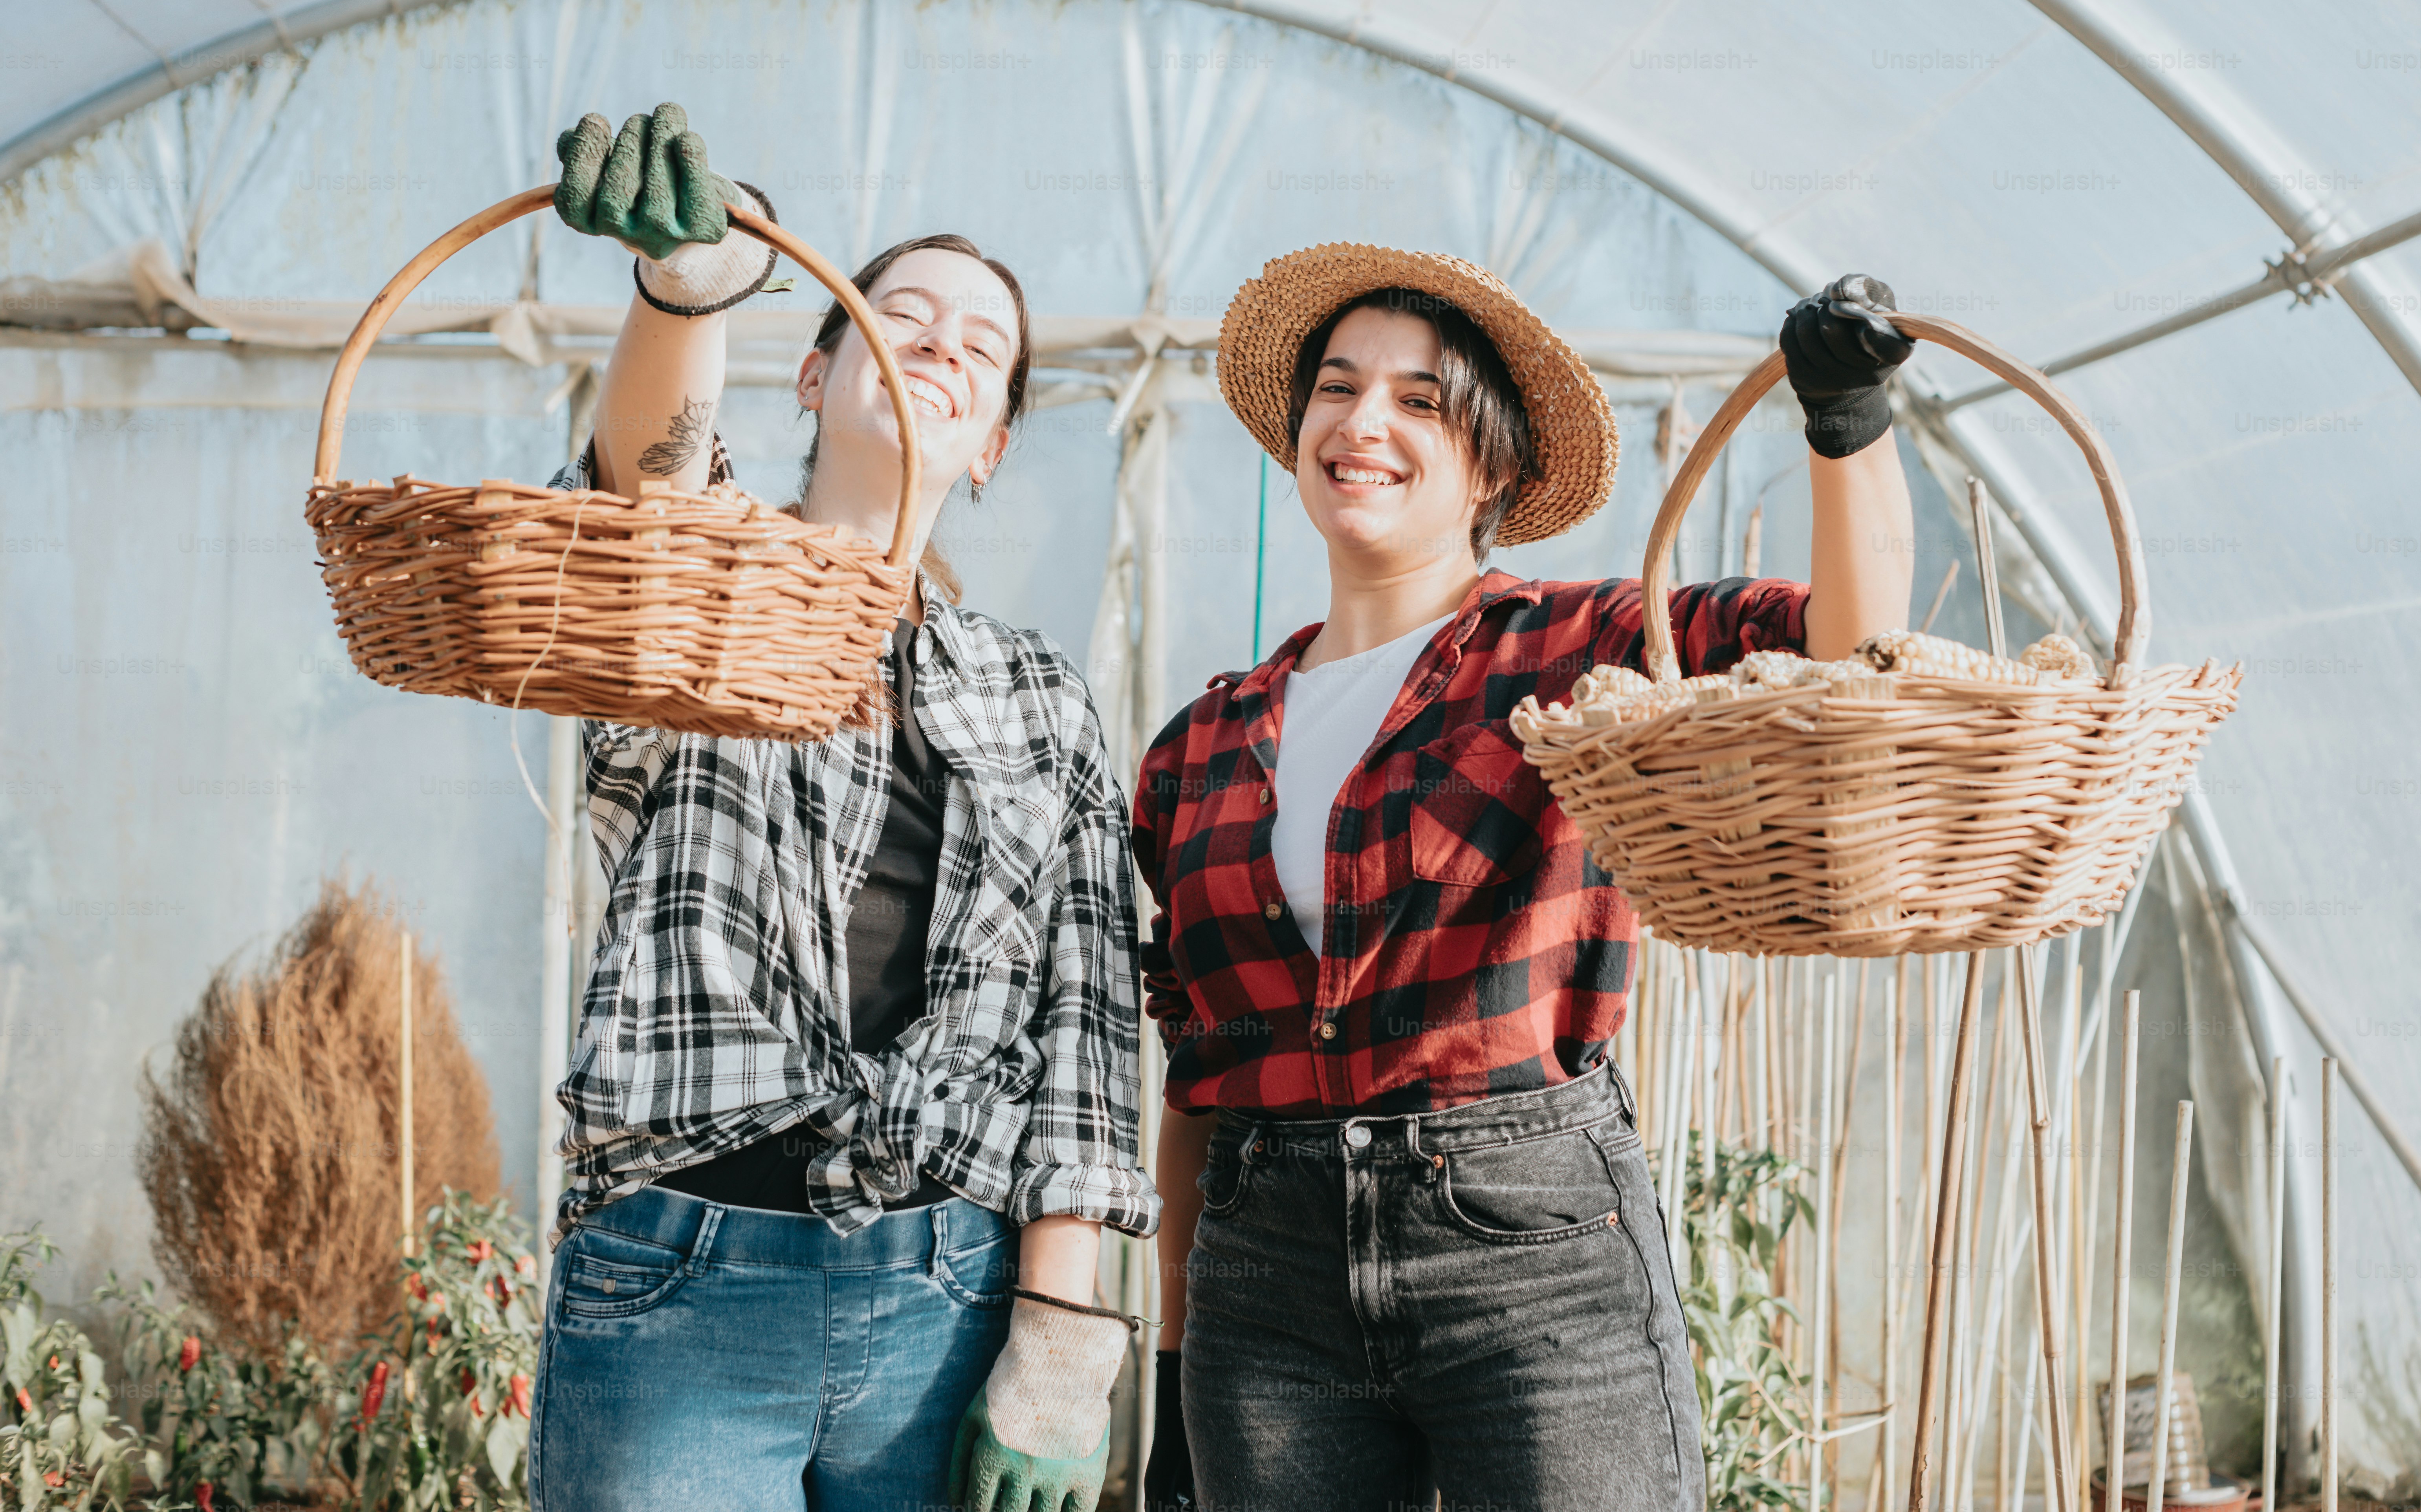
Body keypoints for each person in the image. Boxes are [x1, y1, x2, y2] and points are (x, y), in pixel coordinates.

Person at [1136, 247, 1917, 1511]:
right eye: (1337, 390)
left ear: (1494, 467)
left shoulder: (1578, 651)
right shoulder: (1200, 744)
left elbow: (1851, 646)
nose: (1362, 423)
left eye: (1420, 401)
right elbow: (1194, 1071)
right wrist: (1171, 1354)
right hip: (1263, 1280)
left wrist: (1847, 426)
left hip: (1528, 1253)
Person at [523, 104, 1159, 1512]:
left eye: (980, 348)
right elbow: (647, 488)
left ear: (990, 444)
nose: (938, 342)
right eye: (902, 316)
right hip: (683, 1273)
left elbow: (1086, 1027)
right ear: (813, 379)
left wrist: (1063, 1339)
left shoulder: (1035, 698)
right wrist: (684, 296)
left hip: (950, 1289)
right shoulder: (708, 593)